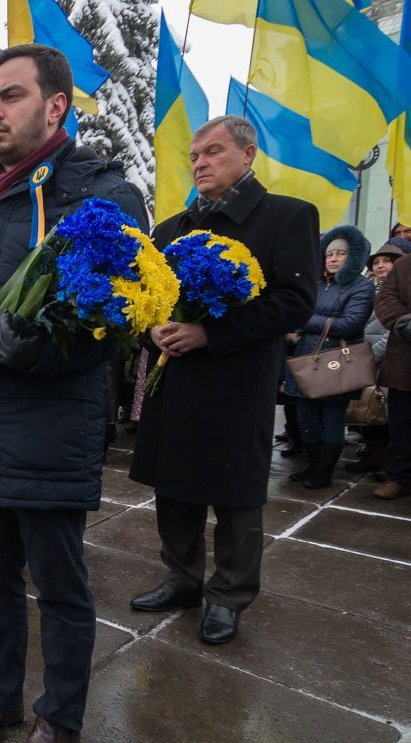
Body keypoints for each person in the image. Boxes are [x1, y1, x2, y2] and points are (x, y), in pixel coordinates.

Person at [0, 45, 147, 743]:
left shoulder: (100, 196)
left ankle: (60, 722)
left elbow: (117, 320)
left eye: (11, 96)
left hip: (47, 427)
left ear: (56, 107)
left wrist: (41, 349)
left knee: (59, 586)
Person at [128, 114, 318, 647]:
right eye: (194, 156)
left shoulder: (287, 216)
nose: (200, 163)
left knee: (235, 494)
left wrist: (210, 333)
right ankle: (182, 578)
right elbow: (143, 299)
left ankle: (229, 595)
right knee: (174, 488)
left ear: (248, 154)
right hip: (176, 381)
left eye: (213, 151)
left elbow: (294, 301)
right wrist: (154, 330)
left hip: (236, 383)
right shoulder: (171, 229)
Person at [282, 226, 375, 489]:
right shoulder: (316, 283)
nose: (333, 258)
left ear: (353, 256)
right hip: (306, 358)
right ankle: (312, 466)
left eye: (341, 254)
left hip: (337, 362)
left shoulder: (362, 286)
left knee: (332, 419)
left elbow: (349, 324)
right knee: (305, 419)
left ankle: (324, 472)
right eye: (329, 254)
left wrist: (304, 320)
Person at [344, 242, 402, 474]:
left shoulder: (401, 292)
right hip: (366, 360)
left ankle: (389, 464)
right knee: (369, 410)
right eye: (376, 262)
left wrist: (368, 356)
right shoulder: (370, 289)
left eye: (387, 261)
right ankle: (373, 455)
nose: (380, 266)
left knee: (387, 414)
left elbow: (392, 333)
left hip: (388, 362)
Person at [373, 253, 411, 500]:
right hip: (404, 361)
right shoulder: (404, 265)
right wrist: (404, 321)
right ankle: (399, 477)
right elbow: (385, 298)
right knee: (401, 424)